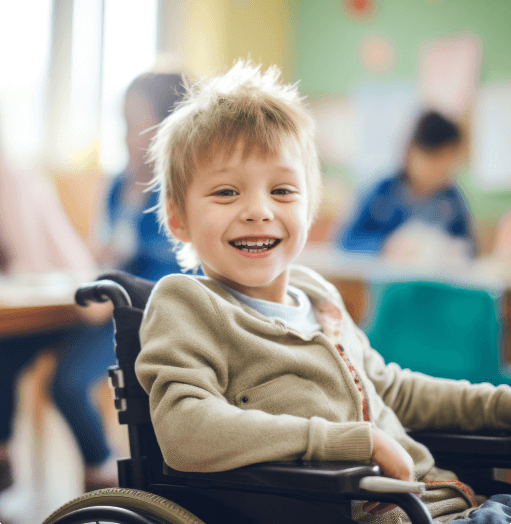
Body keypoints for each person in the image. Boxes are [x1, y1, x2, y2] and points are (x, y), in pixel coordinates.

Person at [133, 59, 511, 524]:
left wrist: (499, 404)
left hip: (454, 501)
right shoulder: (186, 303)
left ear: (310, 209)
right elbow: (186, 429)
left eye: (283, 191)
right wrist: (354, 441)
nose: (258, 210)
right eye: (227, 192)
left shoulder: (318, 296)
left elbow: (394, 389)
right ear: (177, 218)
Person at [0, 152, 117, 495]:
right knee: (3, 355)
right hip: (62, 302)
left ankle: (104, 469)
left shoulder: (15, 180)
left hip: (96, 307)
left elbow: (72, 265)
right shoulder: (118, 188)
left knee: (67, 383)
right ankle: (3, 458)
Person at [94, 72, 201, 282]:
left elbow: (183, 271)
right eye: (124, 125)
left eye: (132, 125)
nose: (124, 137)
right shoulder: (119, 185)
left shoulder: (181, 193)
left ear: (169, 130)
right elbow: (104, 249)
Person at [335, 111, 478, 262]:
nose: (440, 172)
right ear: (410, 152)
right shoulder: (381, 194)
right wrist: (384, 247)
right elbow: (344, 243)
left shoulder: (451, 201)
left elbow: (471, 249)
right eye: (433, 162)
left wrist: (455, 251)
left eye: (447, 165)